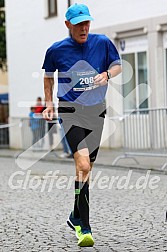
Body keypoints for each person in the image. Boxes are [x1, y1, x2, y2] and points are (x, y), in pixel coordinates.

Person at [42, 3, 121, 247]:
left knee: (85, 171)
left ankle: (74, 214)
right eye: (78, 24)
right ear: (68, 25)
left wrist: (107, 75)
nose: (84, 28)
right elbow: (48, 76)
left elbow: (117, 65)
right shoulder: (56, 50)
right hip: (70, 110)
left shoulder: (103, 42)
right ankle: (84, 227)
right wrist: (48, 104)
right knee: (83, 163)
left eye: (87, 22)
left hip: (96, 110)